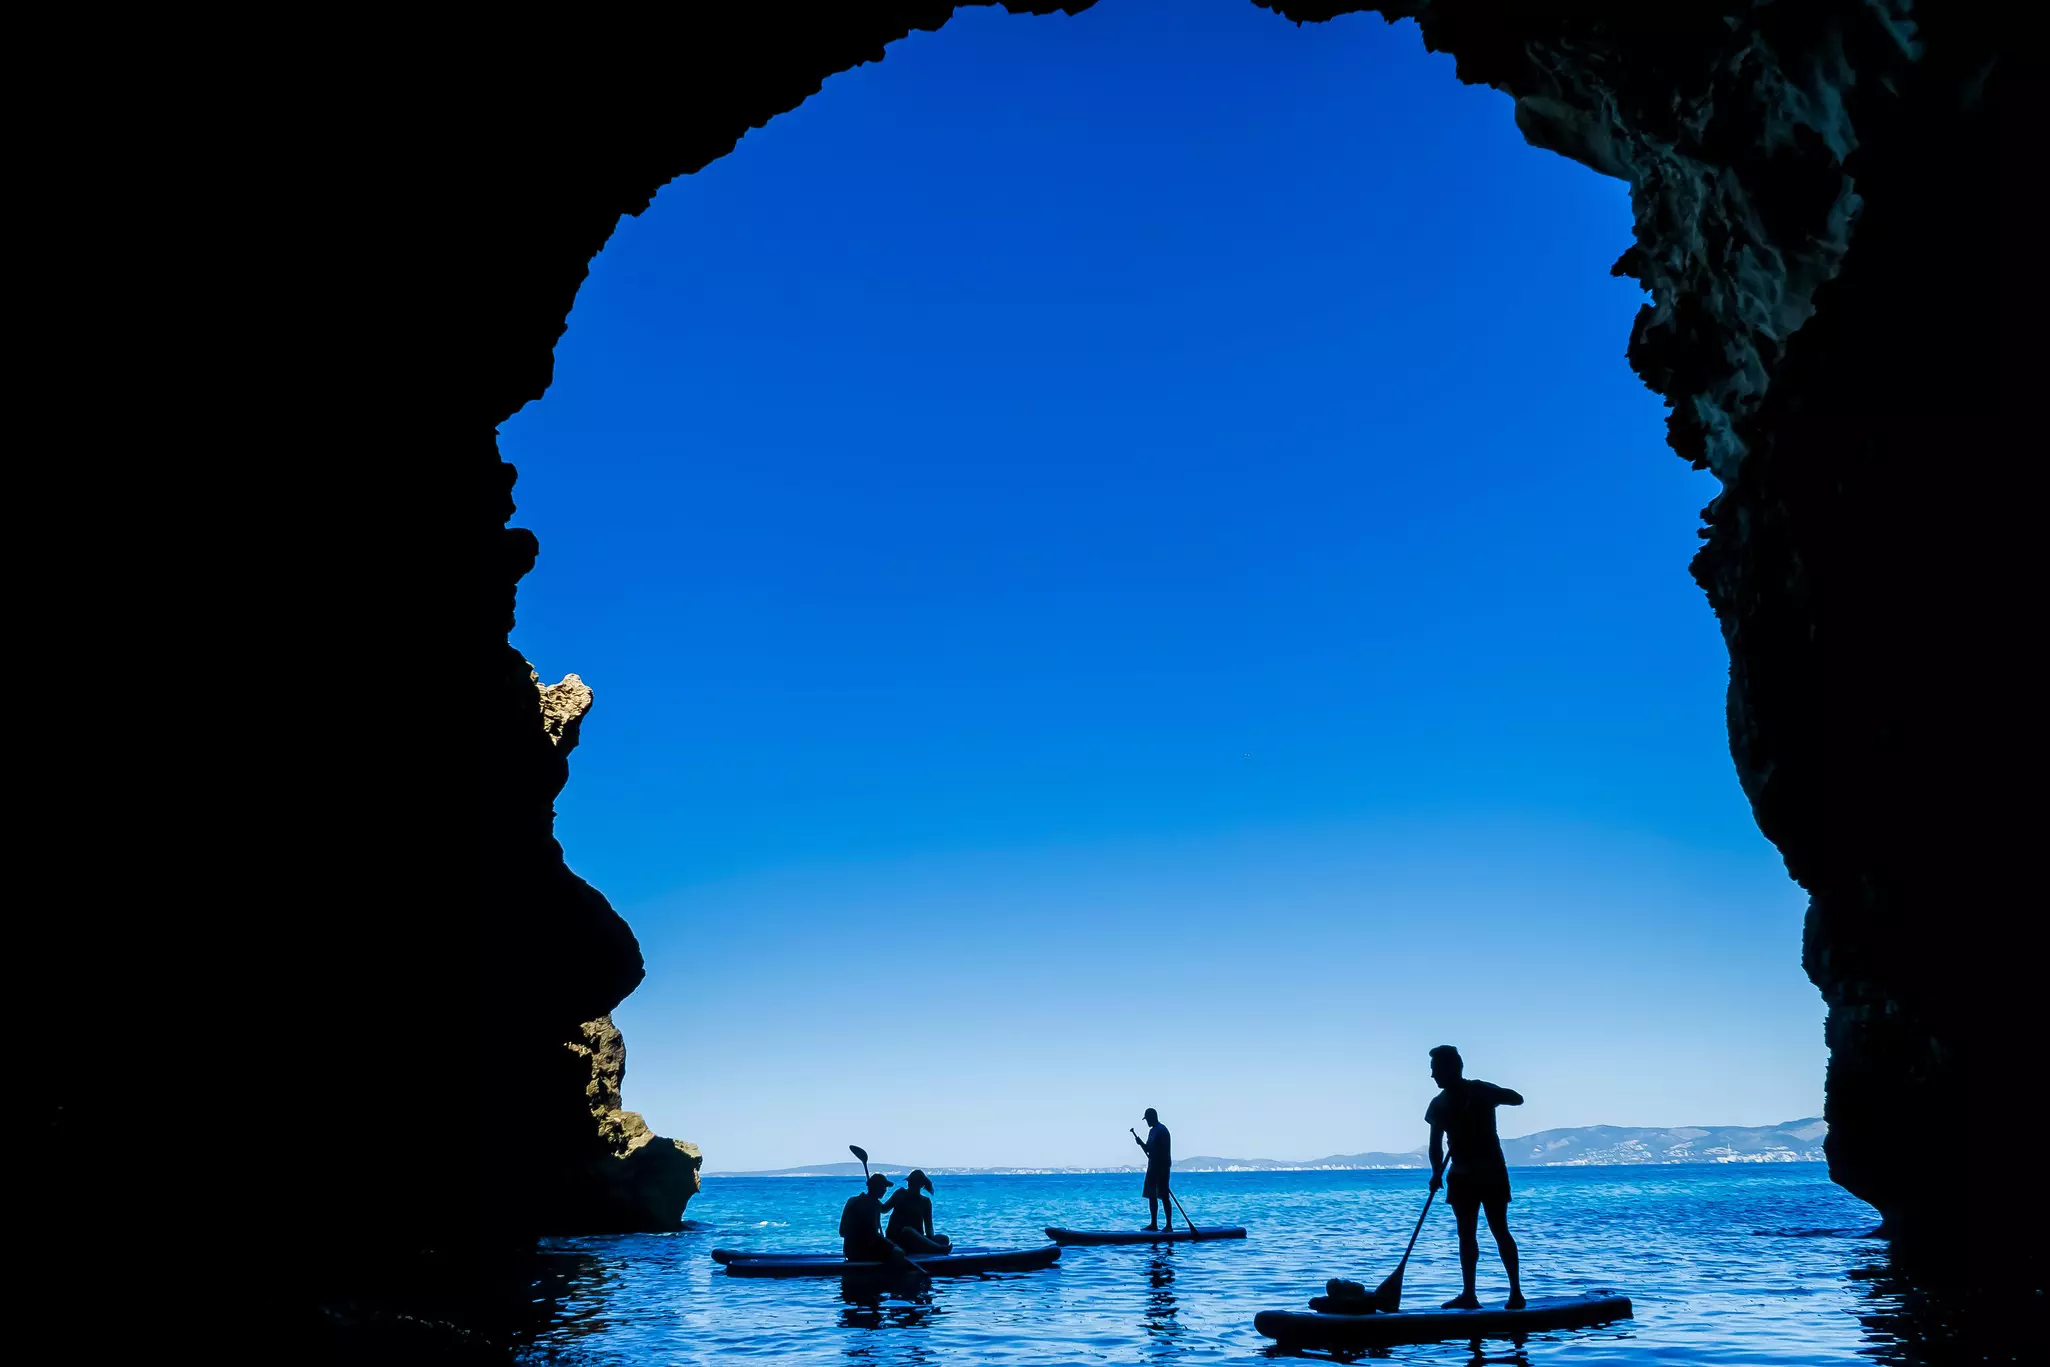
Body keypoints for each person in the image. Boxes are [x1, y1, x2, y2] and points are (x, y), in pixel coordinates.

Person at [1424, 1045, 1526, 1310]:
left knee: (1499, 1230)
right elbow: (1435, 1146)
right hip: (1460, 1177)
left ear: (1452, 1068)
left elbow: (1517, 1099)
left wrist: (1490, 1096)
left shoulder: (1479, 1090)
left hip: (1491, 1172)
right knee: (1465, 1235)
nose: (1432, 1076)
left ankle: (1516, 1293)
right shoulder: (1439, 1105)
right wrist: (1437, 1173)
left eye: (1436, 1070)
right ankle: (1469, 1294)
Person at [882, 1169, 952, 1255]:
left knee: (944, 1239)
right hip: (897, 1239)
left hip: (917, 1239)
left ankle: (927, 1248)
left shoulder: (925, 1202)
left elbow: (929, 1228)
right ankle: (939, 1249)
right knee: (908, 1231)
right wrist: (872, 1198)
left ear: (921, 1185)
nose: (910, 1184)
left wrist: (929, 1240)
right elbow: (884, 1209)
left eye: (912, 1182)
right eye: (910, 1182)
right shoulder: (900, 1194)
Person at [1132, 1108, 1175, 1231]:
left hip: (1161, 1167)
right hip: (1153, 1166)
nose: (1146, 1122)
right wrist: (1141, 1143)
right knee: (1152, 1195)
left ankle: (1169, 1225)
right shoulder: (1152, 1131)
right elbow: (1149, 1149)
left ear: (1152, 1117)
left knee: (1164, 1196)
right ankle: (1154, 1224)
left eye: (1147, 1119)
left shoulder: (1161, 1130)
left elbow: (1160, 1150)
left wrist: (1160, 1163)